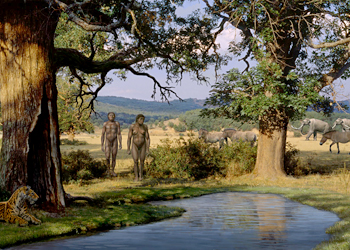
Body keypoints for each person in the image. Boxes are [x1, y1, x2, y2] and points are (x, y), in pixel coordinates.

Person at [127, 114, 150, 181]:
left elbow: (148, 138)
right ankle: (136, 176)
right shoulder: (132, 127)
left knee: (142, 161)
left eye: (143, 119)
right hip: (135, 146)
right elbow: (129, 138)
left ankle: (141, 176)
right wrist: (128, 149)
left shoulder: (145, 127)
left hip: (143, 146)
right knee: (135, 161)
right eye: (140, 119)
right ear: (137, 119)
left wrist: (147, 149)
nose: (142, 121)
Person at [101, 112, 122, 177]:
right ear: (108, 116)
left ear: (114, 116)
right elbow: (103, 134)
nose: (111, 116)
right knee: (107, 156)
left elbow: (119, 134)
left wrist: (120, 143)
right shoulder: (105, 124)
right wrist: (102, 144)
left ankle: (112, 171)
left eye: (113, 115)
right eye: (110, 115)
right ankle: (108, 170)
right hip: (107, 141)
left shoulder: (116, 123)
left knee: (114, 156)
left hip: (115, 141)